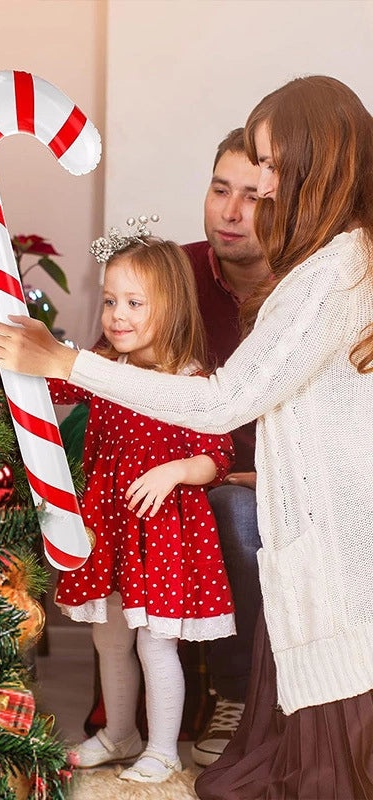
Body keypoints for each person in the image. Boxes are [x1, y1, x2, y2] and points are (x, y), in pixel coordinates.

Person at [0, 75, 373, 799]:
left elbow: (224, 402)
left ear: (317, 167)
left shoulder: (328, 272)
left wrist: (68, 360)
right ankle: (140, 724)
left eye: (271, 173)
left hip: (318, 527)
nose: (257, 193)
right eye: (240, 177)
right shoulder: (324, 263)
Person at [47, 233, 237, 783]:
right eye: (109, 301)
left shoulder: (188, 380)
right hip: (110, 527)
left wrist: (174, 470)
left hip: (163, 532)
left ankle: (162, 748)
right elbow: (52, 383)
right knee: (109, 638)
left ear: (171, 307)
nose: (117, 315)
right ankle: (120, 732)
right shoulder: (102, 369)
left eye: (134, 303)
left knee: (156, 643)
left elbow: (215, 458)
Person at [184, 127, 270, 767]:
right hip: (191, 474)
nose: (232, 213)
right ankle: (234, 695)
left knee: (256, 513)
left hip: (285, 474)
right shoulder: (176, 272)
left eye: (253, 198)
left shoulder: (307, 285)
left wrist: (263, 474)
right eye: (221, 190)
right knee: (239, 520)